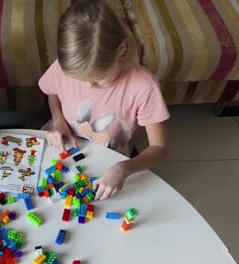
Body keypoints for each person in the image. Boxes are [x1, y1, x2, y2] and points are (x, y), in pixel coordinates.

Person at [39, 0, 169, 200]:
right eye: (80, 80)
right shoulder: (65, 67)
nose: (89, 87)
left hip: (110, 159)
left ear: (121, 49)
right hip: (61, 142)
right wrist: (58, 120)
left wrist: (123, 168)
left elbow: (159, 148)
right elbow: (52, 92)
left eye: (98, 79)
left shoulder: (144, 86)